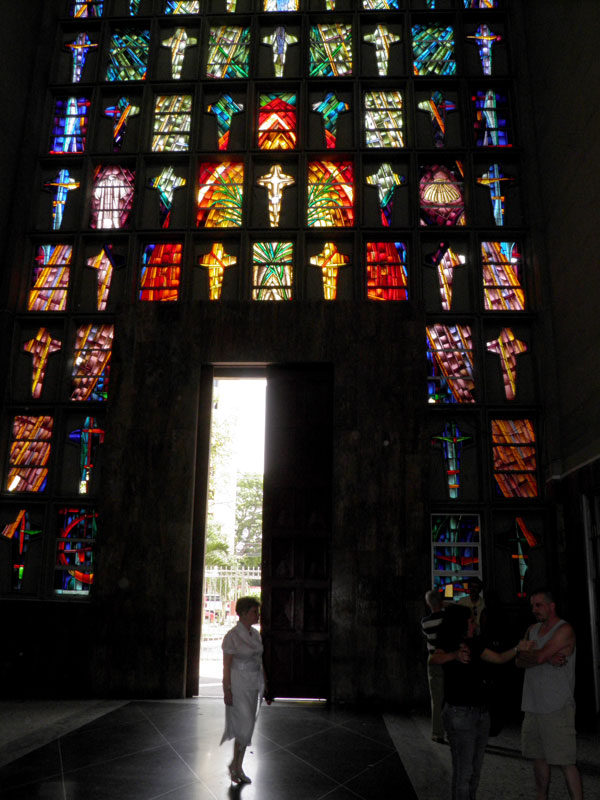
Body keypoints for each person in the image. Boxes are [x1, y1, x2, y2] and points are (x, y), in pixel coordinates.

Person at [431, 604, 525, 800]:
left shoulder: (475, 643)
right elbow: (434, 659)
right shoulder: (448, 643)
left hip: (481, 714)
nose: (474, 624)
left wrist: (518, 648)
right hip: (460, 713)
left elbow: (499, 658)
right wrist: (455, 655)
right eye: (471, 621)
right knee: (464, 772)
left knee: (474, 771)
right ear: (461, 624)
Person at [516, 589, 583, 800]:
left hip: (556, 706)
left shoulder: (564, 629)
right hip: (532, 705)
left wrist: (538, 656)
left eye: (539, 605)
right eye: (532, 606)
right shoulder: (531, 630)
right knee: (538, 757)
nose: (534, 610)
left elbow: (536, 656)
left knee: (566, 761)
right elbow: (518, 661)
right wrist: (546, 658)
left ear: (551, 606)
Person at [221, 596, 267, 784]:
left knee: (247, 726)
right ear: (244, 613)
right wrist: (227, 689)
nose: (258, 615)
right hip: (238, 683)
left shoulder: (255, 634)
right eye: (254, 612)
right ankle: (235, 765)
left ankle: (237, 765)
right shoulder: (232, 636)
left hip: (253, 683)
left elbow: (259, 660)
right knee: (245, 723)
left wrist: (265, 681)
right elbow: (226, 665)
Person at [421, 589, 446, 743]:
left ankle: (438, 732)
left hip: (434, 658)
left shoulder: (425, 622)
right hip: (449, 658)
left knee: (436, 698)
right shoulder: (447, 619)